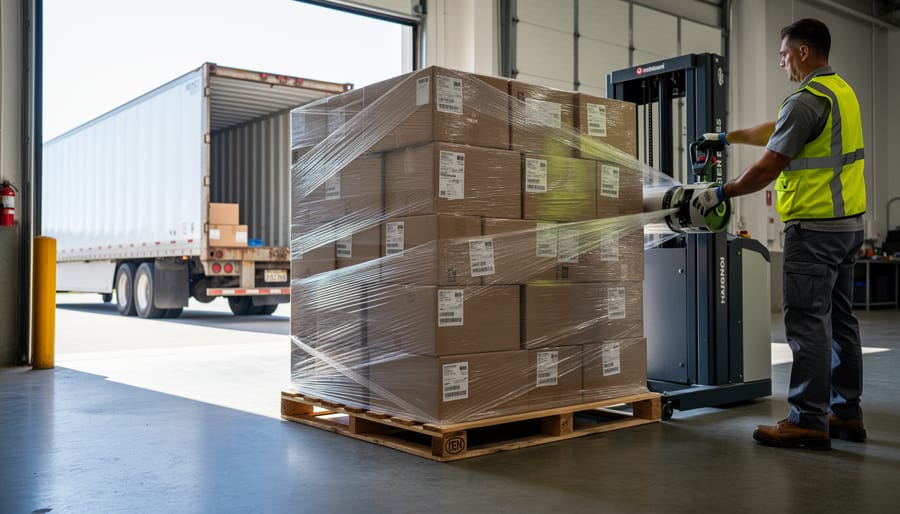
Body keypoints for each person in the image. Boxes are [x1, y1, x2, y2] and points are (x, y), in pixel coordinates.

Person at [692, 18, 867, 450]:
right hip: (847, 227)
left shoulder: (806, 100)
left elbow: (770, 166)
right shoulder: (840, 92)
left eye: (784, 54)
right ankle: (845, 412)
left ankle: (807, 418)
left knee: (808, 322)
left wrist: (720, 192)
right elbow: (777, 131)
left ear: (804, 51)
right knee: (841, 320)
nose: (782, 62)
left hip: (814, 228)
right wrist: (725, 137)